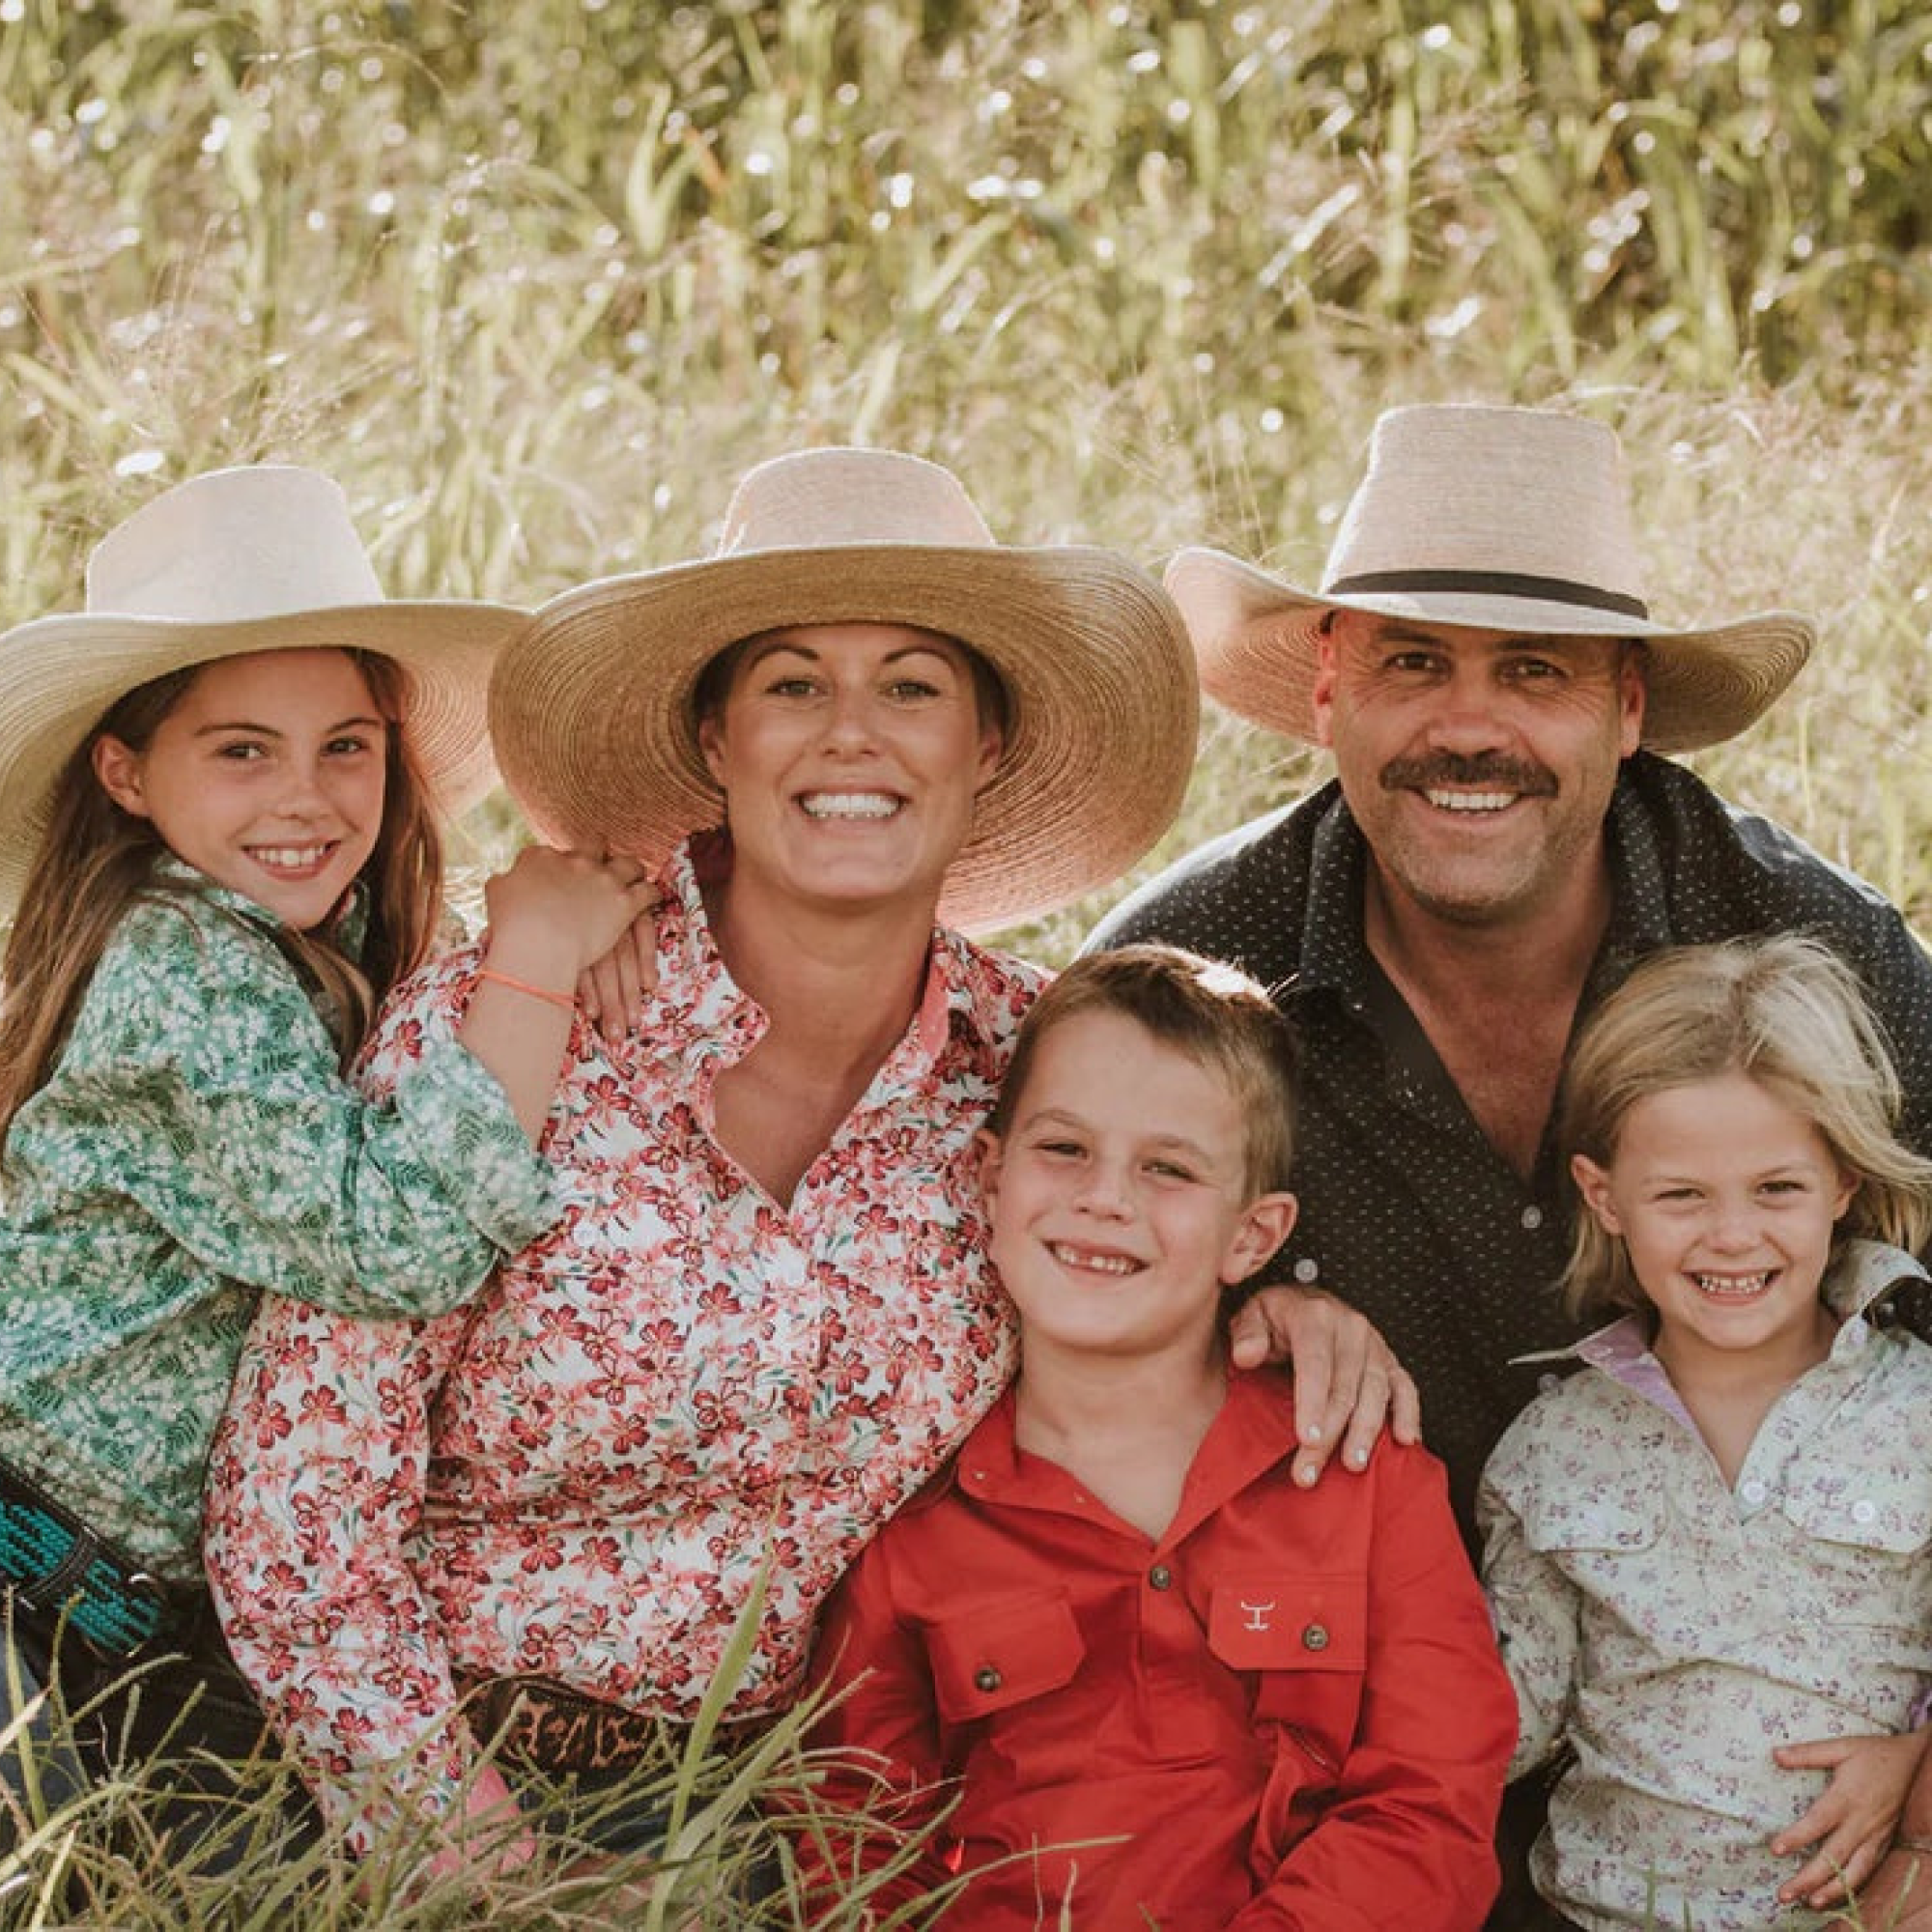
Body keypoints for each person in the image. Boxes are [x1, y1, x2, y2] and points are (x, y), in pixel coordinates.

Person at [1089, 402, 1932, 1544]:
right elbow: (1048, 1325)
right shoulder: (1188, 966)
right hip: (1327, 1667)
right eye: (1412, 662)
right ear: (1329, 688)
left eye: (1533, 672)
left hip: (1767, 1673)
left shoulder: (1808, 940)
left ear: (1626, 706)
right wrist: (1218, 1317)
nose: (1468, 726)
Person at [0, 465, 655, 1831]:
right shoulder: (178, 967)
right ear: (125, 771)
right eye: (241, 750)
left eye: (344, 746)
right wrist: (534, 957)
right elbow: (401, 1241)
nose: (304, 798)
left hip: (122, 1617)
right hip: (39, 1596)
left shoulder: (300, 938)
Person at [803, 944, 1516, 1929]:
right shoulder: (908, 1516)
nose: (1106, 1196)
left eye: (1168, 1168)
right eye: (1063, 1148)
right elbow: (853, 1838)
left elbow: (1432, 1795)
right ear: (988, 1178)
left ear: (1252, 1236)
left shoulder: (1360, 1471)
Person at [1479, 935, 1932, 1931]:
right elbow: (1505, 1722)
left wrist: (1917, 1769)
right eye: (1680, 1194)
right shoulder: (1552, 1447)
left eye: (1775, 1188)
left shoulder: (1917, 1415)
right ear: (1604, 1197)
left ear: (1842, 1184)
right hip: (1603, 1913)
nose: (1730, 1235)